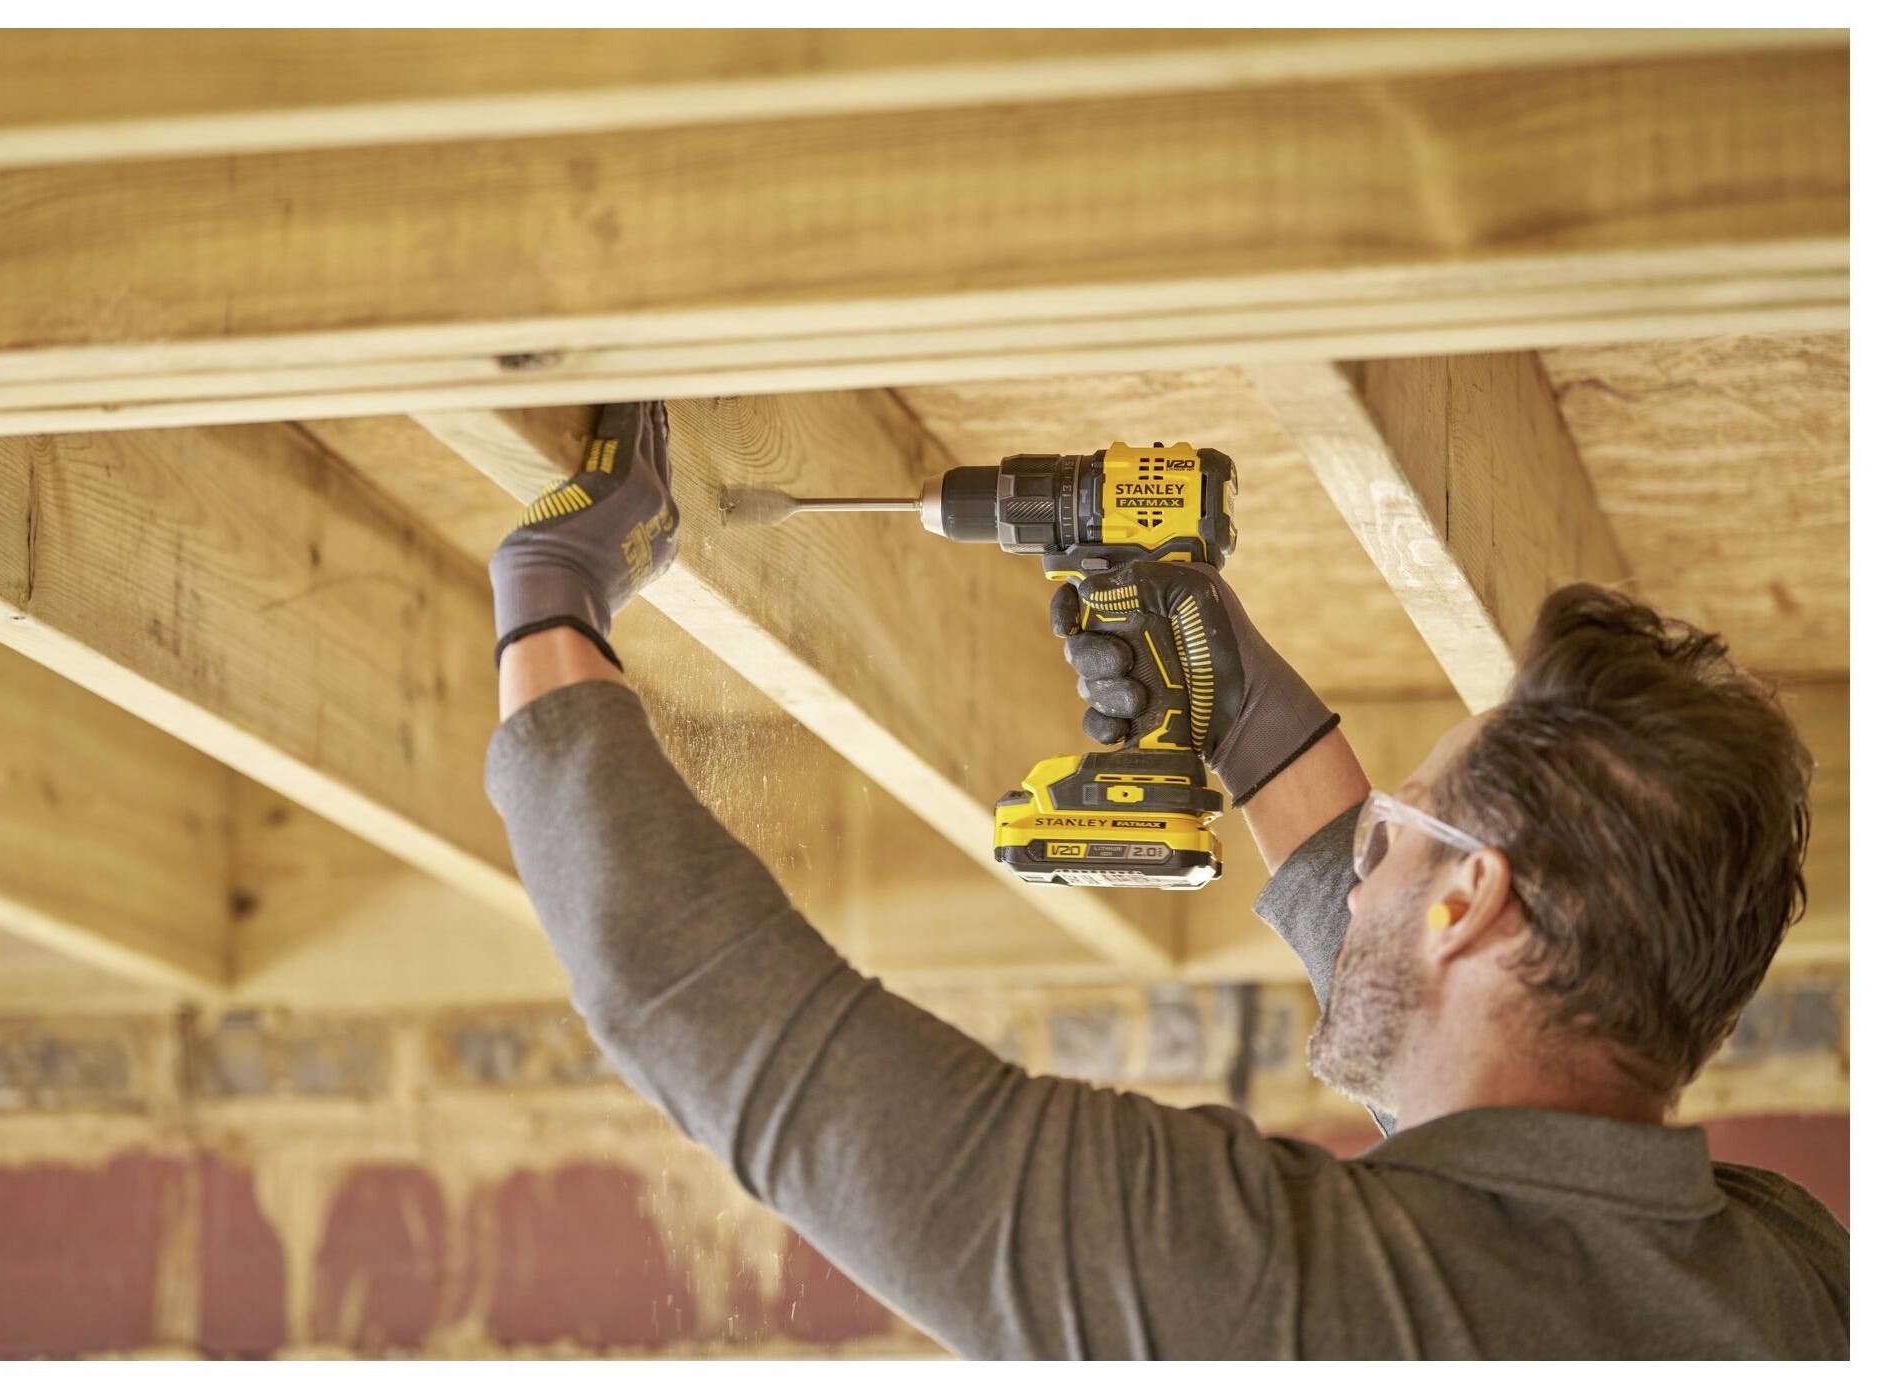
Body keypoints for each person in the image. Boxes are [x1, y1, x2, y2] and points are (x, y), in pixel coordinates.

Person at [481, 401, 1848, 1358]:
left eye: (1393, 831)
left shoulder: (1266, 1296)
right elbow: (1467, 1059)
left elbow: (709, 1012)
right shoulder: (1785, 1280)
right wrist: (1242, 714)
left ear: (1470, 904)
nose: (1351, 872)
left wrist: (547, 601)